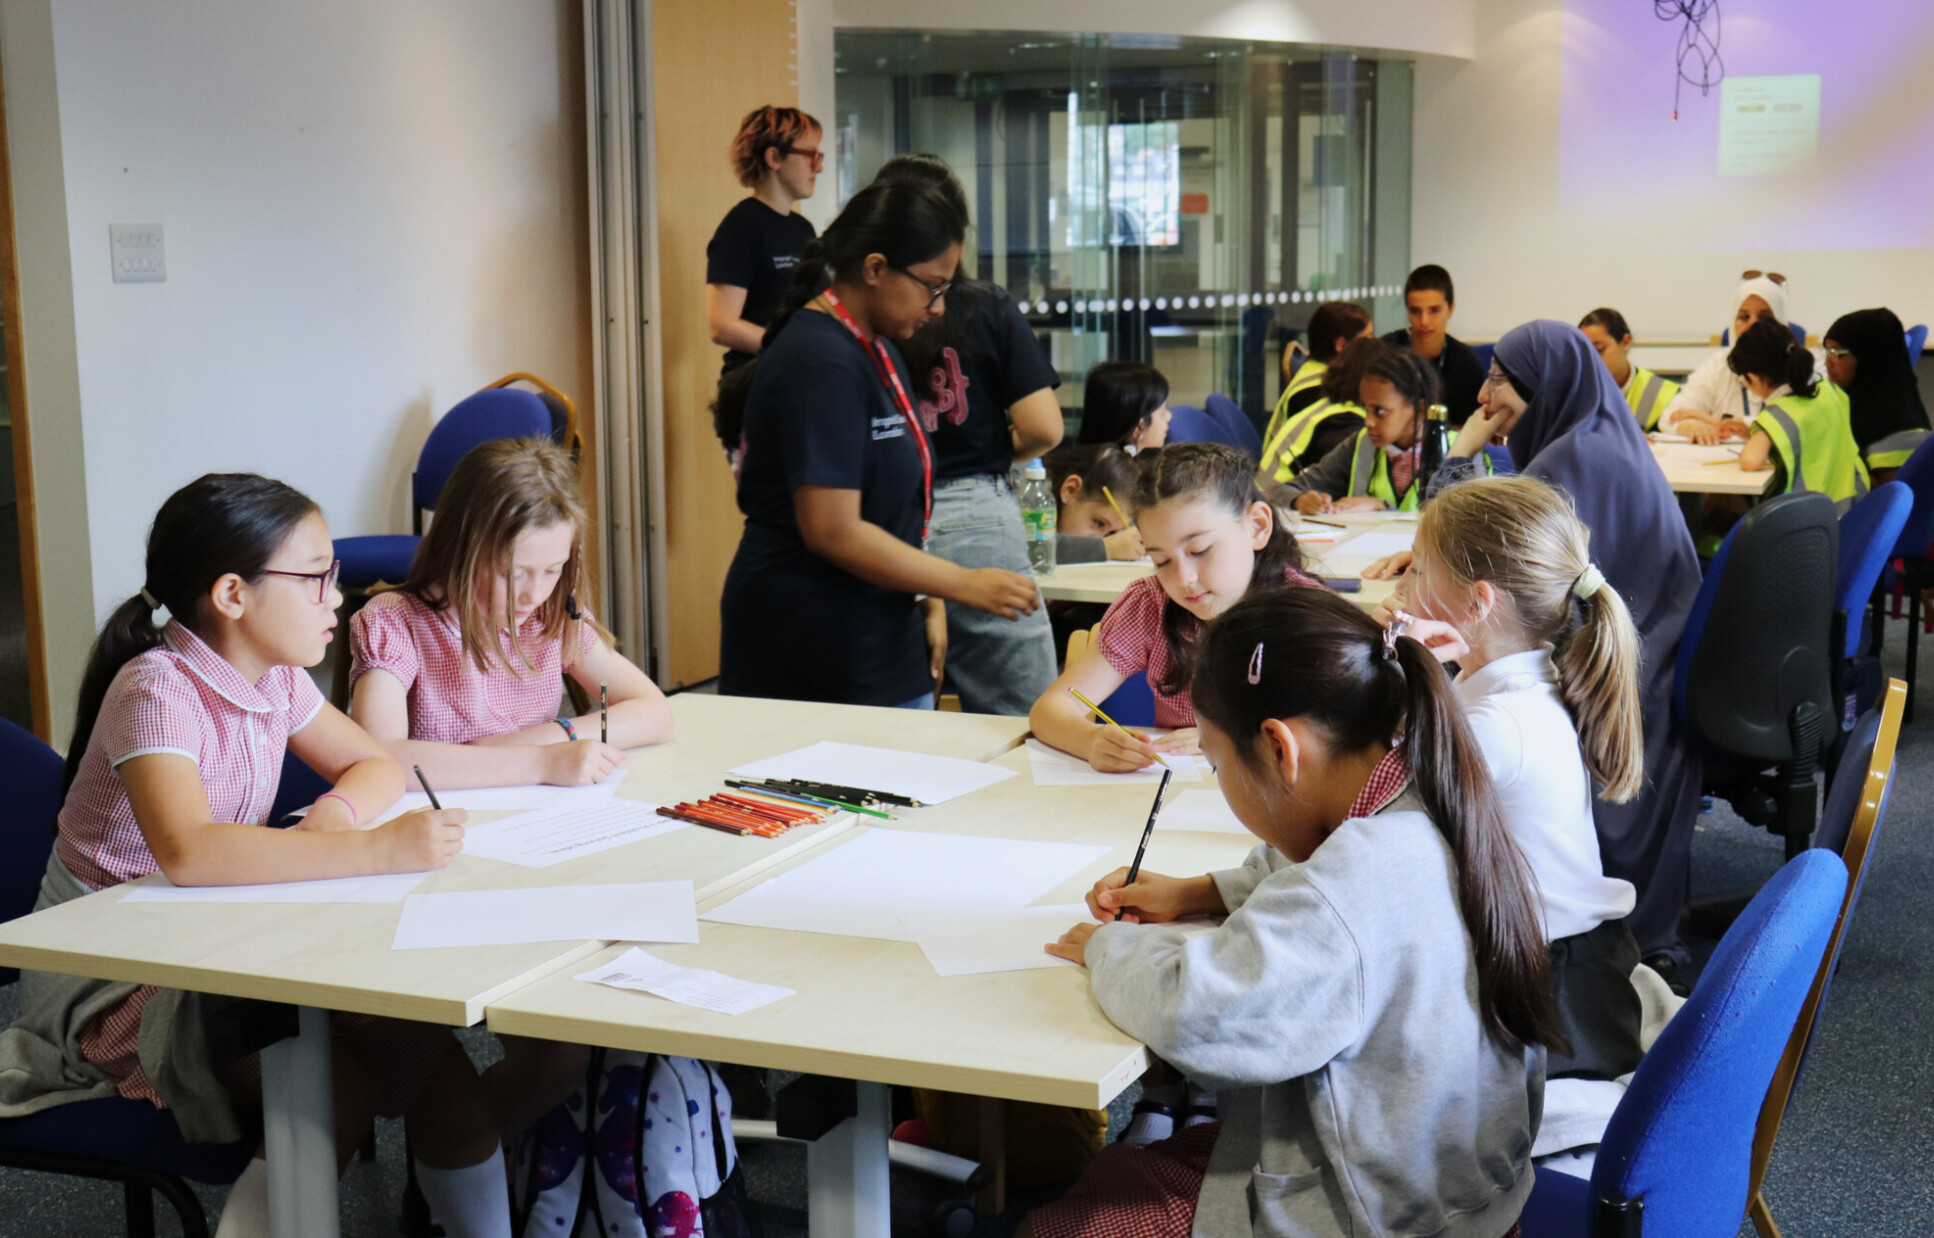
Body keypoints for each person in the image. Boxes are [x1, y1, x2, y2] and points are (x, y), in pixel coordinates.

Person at [0, 474, 510, 1238]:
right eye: (315, 578)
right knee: (336, 1080)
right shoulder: (157, 688)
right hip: (113, 976)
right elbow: (192, 853)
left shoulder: (275, 678)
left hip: (218, 935)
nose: (338, 596)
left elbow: (374, 765)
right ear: (233, 594)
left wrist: (331, 821)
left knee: (432, 1058)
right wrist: (371, 851)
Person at [1028, 587, 1558, 1238]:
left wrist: (1104, 948)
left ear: (1280, 750)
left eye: (1218, 764)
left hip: (1378, 1214)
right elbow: (1327, 882)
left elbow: (1198, 1016)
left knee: (1066, 1224)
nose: (1222, 781)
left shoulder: (1343, 891)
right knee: (1123, 1175)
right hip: (1464, 1187)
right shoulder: (1434, 795)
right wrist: (1201, 892)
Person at [1376, 320, 1703, 976]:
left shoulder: (1570, 462)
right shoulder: (1597, 434)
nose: (1486, 391)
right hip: (1648, 650)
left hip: (1629, 673)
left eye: (1500, 378)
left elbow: (1457, 543)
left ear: (1541, 386)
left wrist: (1464, 450)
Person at [717, 177, 1040, 709]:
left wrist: (929, 597)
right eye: (932, 286)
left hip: (878, 624)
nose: (939, 307)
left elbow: (895, 506)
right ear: (874, 269)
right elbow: (833, 529)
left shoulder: (877, 347)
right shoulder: (818, 358)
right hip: (811, 636)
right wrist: (961, 583)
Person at [884, 153, 1064, 716]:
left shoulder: (862, 318)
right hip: (976, 515)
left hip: (882, 527)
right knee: (1023, 718)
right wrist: (992, 448)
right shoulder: (986, 305)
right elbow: (1043, 427)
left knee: (897, 721)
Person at [1028, 443, 1320, 771]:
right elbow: (1050, 708)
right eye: (1161, 560)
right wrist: (1089, 740)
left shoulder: (1307, 614)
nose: (1183, 578)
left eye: (1200, 549)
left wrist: (1224, 738)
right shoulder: (1149, 604)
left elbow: (1331, 731)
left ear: (1257, 526)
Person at [1280, 341, 1477, 514]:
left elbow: (1469, 522)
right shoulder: (1361, 444)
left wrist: (1383, 506)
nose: (1368, 421)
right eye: (1365, 408)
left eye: (1380, 411)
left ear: (1420, 409)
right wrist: (1301, 499)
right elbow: (1283, 490)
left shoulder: (1461, 451)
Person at [705, 106, 822, 382]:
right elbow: (721, 326)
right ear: (773, 157)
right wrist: (796, 348)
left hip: (796, 379)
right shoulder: (741, 226)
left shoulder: (803, 228)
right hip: (753, 385)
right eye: (810, 155)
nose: (819, 166)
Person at [1729, 319, 1870, 511]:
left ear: (1753, 377)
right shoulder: (1827, 389)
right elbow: (1810, 436)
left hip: (1810, 522)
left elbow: (1750, 461)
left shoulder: (1778, 413)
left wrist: (1760, 435)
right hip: (1854, 508)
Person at [1660, 271, 1791, 440]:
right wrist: (1691, 426)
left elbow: (1792, 425)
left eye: (1764, 317)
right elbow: (1669, 417)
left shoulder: (1799, 366)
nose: (1753, 325)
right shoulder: (1719, 366)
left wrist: (1713, 421)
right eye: (1744, 317)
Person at [1257, 310, 1373, 487]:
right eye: (1366, 340)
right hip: (1279, 498)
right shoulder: (1330, 405)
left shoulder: (1316, 376)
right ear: (1341, 345)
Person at [1824, 307, 1930, 476]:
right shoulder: (1864, 407)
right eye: (1827, 351)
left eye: (1836, 353)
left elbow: (1885, 499)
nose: (1827, 363)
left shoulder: (1896, 434)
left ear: (1869, 357)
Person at [1380, 264, 1486, 421]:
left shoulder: (1467, 364)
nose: (1424, 321)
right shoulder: (1384, 353)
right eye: (1415, 311)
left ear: (1450, 309)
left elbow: (1467, 429)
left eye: (1434, 310)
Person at [1267, 299, 1372, 442]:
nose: (1372, 347)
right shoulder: (1317, 393)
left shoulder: (1314, 371)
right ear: (1341, 345)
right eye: (1367, 340)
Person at [1578, 307, 1681, 431]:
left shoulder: (1666, 395)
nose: (1592, 360)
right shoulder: (1575, 392)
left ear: (1626, 342)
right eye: (1585, 352)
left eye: (1599, 350)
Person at [1043, 442, 1144, 564]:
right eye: (1098, 523)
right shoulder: (1028, 502)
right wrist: (1107, 548)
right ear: (1071, 490)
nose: (1102, 538)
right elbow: (1032, 548)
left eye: (1112, 533)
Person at [1075, 361, 1171, 452]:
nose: (1169, 416)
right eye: (1162, 413)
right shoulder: (1134, 469)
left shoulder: (1083, 463)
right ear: (1138, 429)